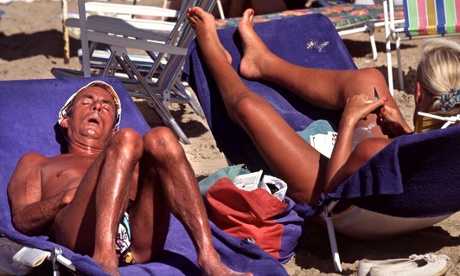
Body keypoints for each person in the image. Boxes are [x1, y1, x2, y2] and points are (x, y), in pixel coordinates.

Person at [186, 7, 460, 206]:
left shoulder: (373, 150)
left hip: (338, 201)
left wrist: (348, 122)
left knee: (248, 107)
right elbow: (423, 157)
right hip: (403, 187)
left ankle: (214, 56)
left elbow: (332, 188)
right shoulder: (451, 143)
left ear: (418, 91)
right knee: (369, 79)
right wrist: (404, 133)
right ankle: (263, 63)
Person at [7, 81, 251, 276]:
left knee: (162, 137)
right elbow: (22, 220)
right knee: (130, 139)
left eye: (106, 106)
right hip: (80, 234)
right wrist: (64, 199)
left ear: (112, 129)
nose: (97, 107)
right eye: (87, 101)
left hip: (138, 242)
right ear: (65, 119)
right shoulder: (39, 162)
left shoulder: (129, 158)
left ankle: (208, 257)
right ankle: (103, 256)